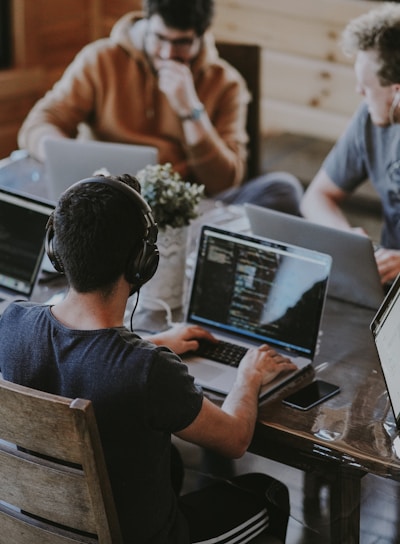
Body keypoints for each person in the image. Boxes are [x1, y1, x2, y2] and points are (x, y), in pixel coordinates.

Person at [0, 173, 297, 543]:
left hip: (40, 528)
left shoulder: (11, 323)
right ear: (142, 263)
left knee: (170, 461)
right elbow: (236, 439)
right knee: (270, 495)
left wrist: (153, 341)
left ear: (57, 249)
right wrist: (248, 376)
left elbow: (80, 357)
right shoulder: (148, 370)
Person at [17, 0, 303, 215]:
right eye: (159, 38)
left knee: (284, 190)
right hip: (105, 201)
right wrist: (61, 158)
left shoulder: (226, 83)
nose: (167, 53)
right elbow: (39, 124)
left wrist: (191, 111)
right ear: (147, 21)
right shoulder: (100, 59)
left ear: (201, 36)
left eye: (181, 43)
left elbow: (225, 182)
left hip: (183, 211)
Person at [301, 2, 400, 287]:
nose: (359, 93)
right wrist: (345, 238)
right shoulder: (369, 119)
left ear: (396, 92)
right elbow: (317, 197)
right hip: (387, 287)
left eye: (366, 88)